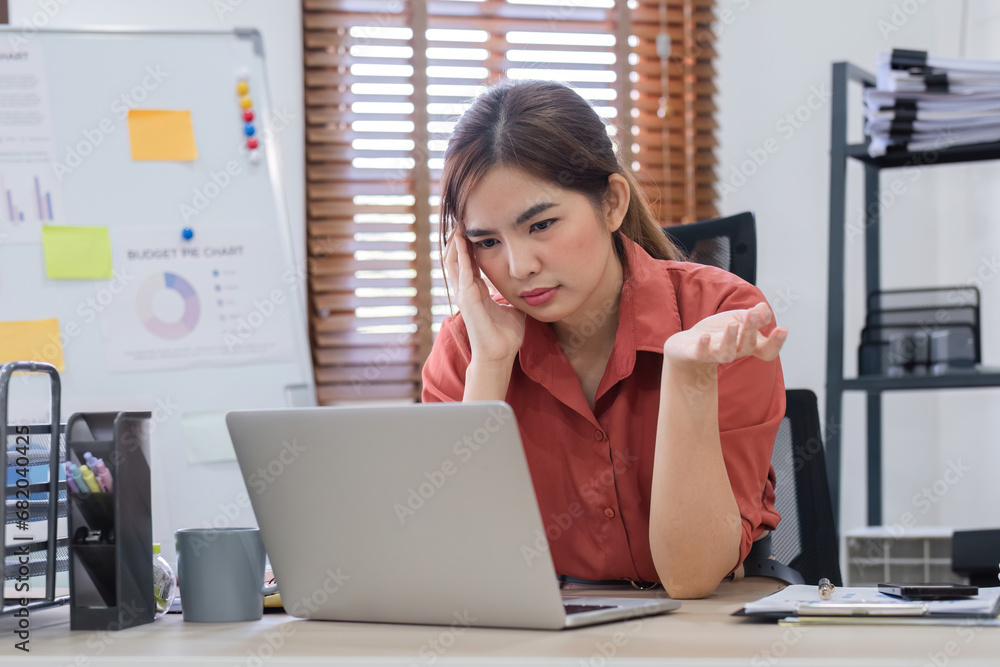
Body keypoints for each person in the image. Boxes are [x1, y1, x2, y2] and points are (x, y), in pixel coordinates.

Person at [421, 79, 787, 599]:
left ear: (611, 204)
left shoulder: (725, 320)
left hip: (703, 627)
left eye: (542, 224)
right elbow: (452, 569)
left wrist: (688, 372)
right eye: (486, 242)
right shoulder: (467, 349)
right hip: (551, 628)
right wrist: (491, 368)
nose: (519, 266)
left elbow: (690, 576)